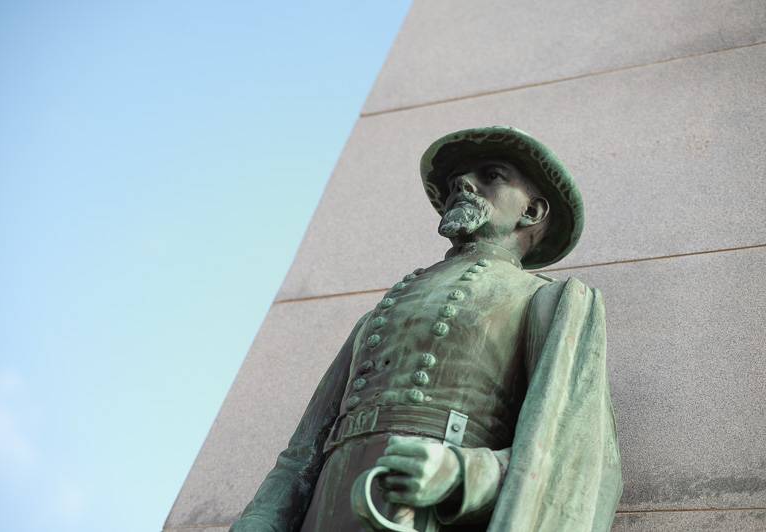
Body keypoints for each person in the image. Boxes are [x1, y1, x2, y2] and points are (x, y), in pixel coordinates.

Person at [232, 127, 622, 532]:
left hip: (427, 514)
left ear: (532, 212)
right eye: (457, 181)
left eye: (492, 175)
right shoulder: (380, 313)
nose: (463, 185)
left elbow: (575, 455)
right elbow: (304, 448)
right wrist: (264, 515)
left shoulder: (549, 302)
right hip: (327, 509)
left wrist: (463, 474)